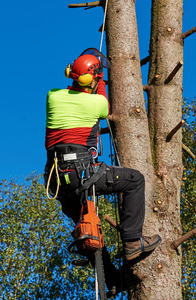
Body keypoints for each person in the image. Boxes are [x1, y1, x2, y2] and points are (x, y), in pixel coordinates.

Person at [44, 48, 161, 296]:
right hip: (81, 172)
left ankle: (112, 279)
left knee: (88, 229)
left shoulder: (53, 96)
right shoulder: (96, 102)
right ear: (93, 79)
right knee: (135, 180)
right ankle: (132, 242)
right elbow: (103, 104)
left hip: (57, 181)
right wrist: (101, 80)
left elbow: (76, 90)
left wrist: (91, 76)